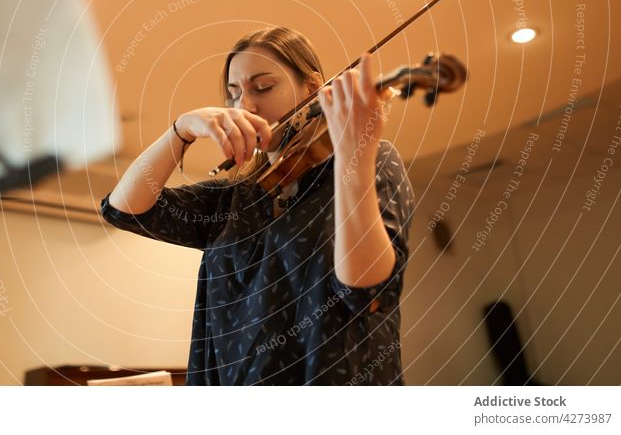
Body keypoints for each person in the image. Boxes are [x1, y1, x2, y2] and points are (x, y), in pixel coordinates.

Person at [100, 27, 415, 385]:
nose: (244, 105)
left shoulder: (372, 162)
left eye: (263, 87)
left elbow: (367, 290)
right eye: (233, 94)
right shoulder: (237, 195)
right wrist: (182, 128)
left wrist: (355, 154)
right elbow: (123, 209)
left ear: (313, 89)